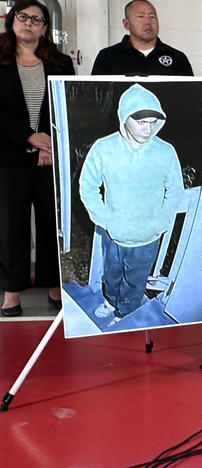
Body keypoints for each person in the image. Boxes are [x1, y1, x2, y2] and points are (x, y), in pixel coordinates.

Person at [79, 84, 185, 325]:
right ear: (124, 117)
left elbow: (175, 191)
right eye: (141, 122)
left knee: (136, 280)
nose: (148, 130)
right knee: (112, 274)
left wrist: (161, 222)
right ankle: (111, 301)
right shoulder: (104, 148)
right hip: (114, 232)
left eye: (152, 123)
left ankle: (124, 313)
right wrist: (106, 219)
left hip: (148, 236)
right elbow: (87, 186)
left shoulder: (165, 151)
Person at [0, 1, 74, 317]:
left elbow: (68, 105)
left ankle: (54, 288)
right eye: (23, 16)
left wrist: (49, 145)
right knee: (11, 227)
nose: (29, 23)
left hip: (50, 160)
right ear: (11, 20)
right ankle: (11, 293)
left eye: (36, 19)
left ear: (45, 28)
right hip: (9, 158)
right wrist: (30, 137)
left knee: (51, 225)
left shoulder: (61, 63)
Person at [91, 0, 193, 76]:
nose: (148, 22)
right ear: (126, 24)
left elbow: (190, 99)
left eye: (152, 17)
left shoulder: (177, 58)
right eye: (141, 16)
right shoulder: (107, 56)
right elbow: (96, 98)